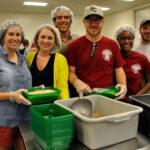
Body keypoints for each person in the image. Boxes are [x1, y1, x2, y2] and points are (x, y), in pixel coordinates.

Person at [65, 5, 127, 99]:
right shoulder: (74, 45)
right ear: (84, 22)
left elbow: (119, 69)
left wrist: (123, 85)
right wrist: (76, 82)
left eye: (97, 20)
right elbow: (70, 72)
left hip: (108, 95)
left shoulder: (112, 44)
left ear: (103, 22)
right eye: (89, 20)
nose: (93, 24)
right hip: (84, 97)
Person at [0, 20, 32, 150]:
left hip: (25, 118)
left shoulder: (23, 59)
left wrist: (35, 90)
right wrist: (11, 96)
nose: (15, 38)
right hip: (4, 120)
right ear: (3, 36)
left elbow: (25, 85)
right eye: (11, 34)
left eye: (18, 35)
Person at [26, 24, 69, 99]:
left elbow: (63, 87)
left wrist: (64, 105)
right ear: (37, 39)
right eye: (43, 37)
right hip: (31, 102)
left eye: (50, 38)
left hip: (52, 105)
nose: (46, 41)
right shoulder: (30, 56)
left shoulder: (60, 59)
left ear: (54, 41)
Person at [115, 25, 150, 101]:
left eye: (130, 38)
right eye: (123, 38)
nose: (127, 41)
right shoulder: (114, 57)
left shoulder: (141, 58)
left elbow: (149, 82)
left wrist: (135, 97)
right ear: (117, 40)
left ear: (133, 40)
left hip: (135, 101)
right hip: (116, 100)